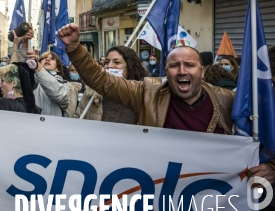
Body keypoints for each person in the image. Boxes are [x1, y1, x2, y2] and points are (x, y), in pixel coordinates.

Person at [57, 23, 275, 186]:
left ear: (202, 71)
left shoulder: (228, 100)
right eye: (174, 65)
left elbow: (266, 136)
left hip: (208, 196)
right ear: (166, 72)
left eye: (189, 65)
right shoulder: (147, 93)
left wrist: (271, 168)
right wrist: (75, 49)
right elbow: (102, 81)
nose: (182, 70)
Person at [75, 46, 146, 124]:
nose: (110, 65)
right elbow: (78, 121)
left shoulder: (141, 96)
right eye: (107, 62)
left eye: (117, 62)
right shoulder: (90, 94)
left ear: (130, 67)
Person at [11, 31, 70, 116]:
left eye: (52, 59)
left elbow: (60, 96)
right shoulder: (32, 80)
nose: (47, 60)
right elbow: (15, 71)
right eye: (44, 58)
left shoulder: (64, 85)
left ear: (57, 69)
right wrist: (24, 43)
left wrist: (37, 67)